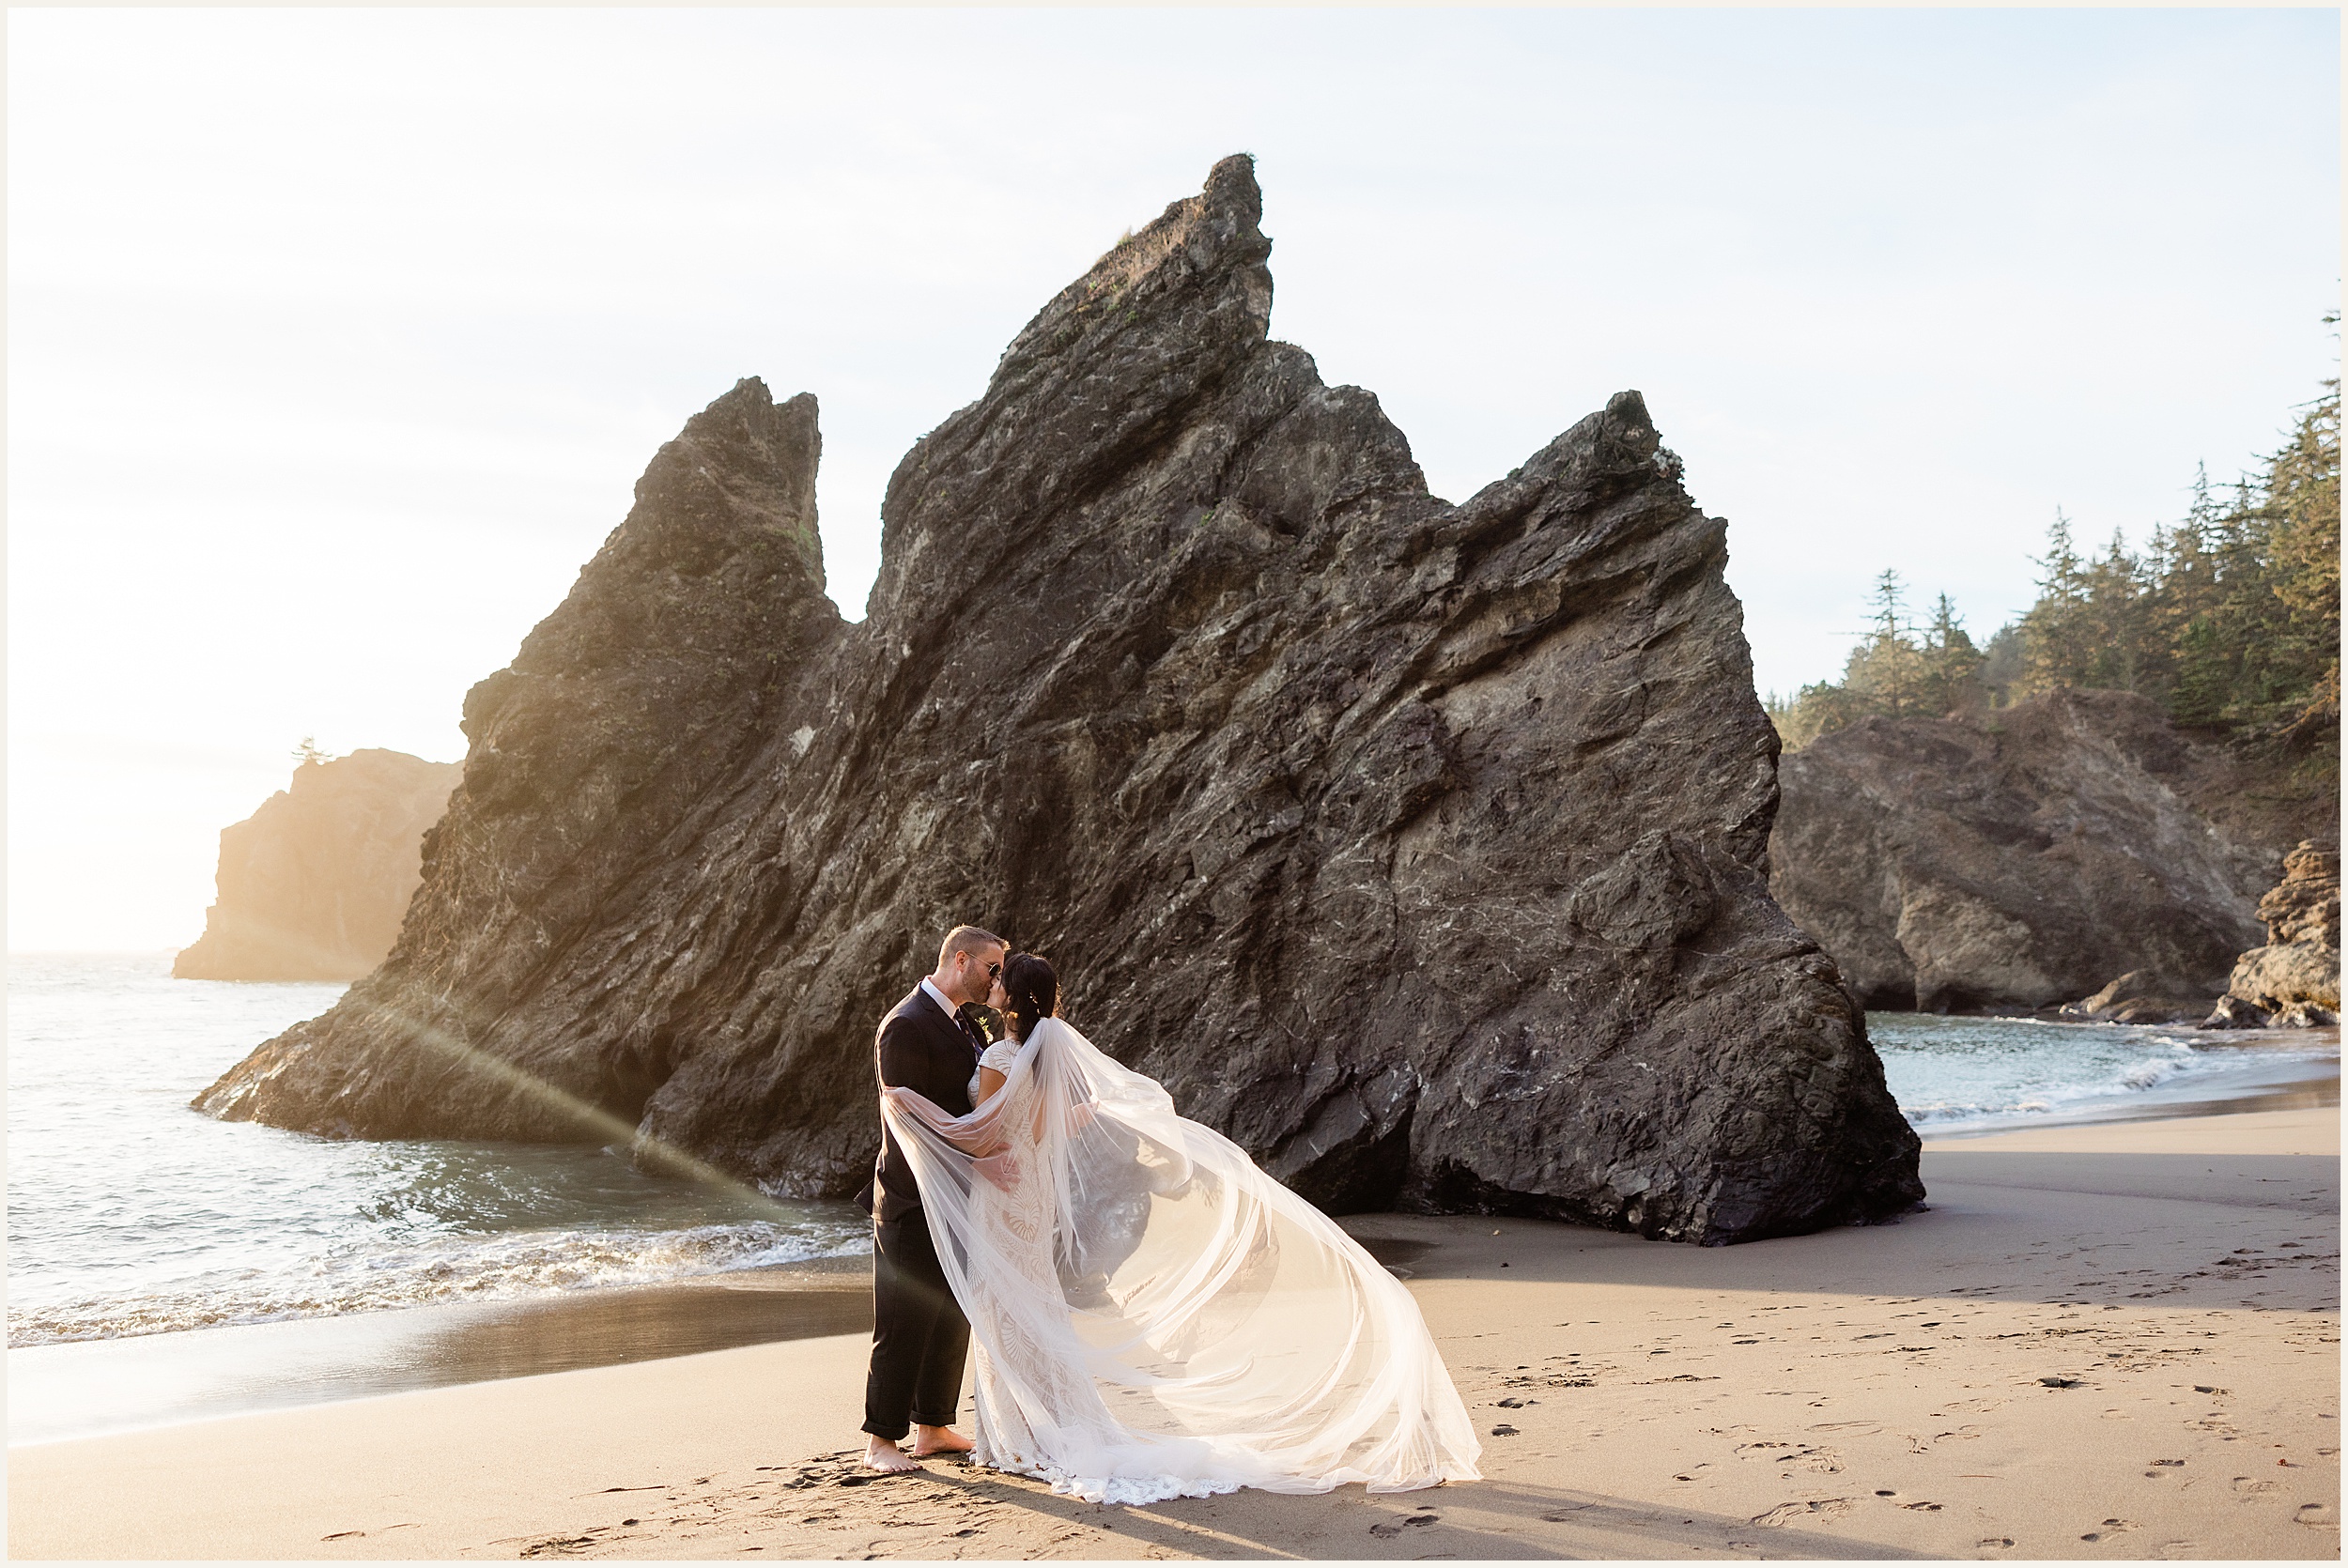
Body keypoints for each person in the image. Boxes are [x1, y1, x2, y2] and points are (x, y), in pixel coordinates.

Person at [879, 951, 1482, 1505]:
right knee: (1030, 1303)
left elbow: (984, 1138)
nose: (994, 979)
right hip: (1031, 1195)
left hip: (1002, 1198)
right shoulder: (1046, 1053)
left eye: (1000, 976)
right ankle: (1048, 1426)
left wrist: (917, 1115)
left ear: (1010, 998)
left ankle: (1022, 1435)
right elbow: (1047, 1129)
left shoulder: (1000, 1057)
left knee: (1005, 1309)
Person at [857, 924, 1007, 1474]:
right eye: (992, 968)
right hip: (910, 1195)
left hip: (961, 1192)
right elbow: (905, 1115)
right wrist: (976, 1147)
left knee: (951, 1312)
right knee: (903, 1317)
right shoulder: (905, 1023)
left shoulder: (969, 1022)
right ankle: (880, 1441)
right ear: (960, 959)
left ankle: (934, 1426)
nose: (998, 980)